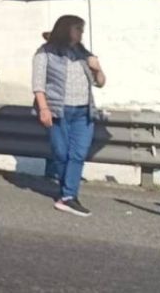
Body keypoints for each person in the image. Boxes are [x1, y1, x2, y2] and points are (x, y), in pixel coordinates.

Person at [33, 15, 106, 217]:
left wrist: (97, 68)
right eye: (78, 29)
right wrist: (44, 108)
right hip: (59, 110)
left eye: (82, 30)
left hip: (84, 110)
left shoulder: (83, 53)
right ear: (66, 29)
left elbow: (100, 82)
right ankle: (67, 192)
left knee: (78, 154)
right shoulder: (45, 52)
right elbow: (38, 84)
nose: (81, 33)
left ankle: (68, 196)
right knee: (62, 153)